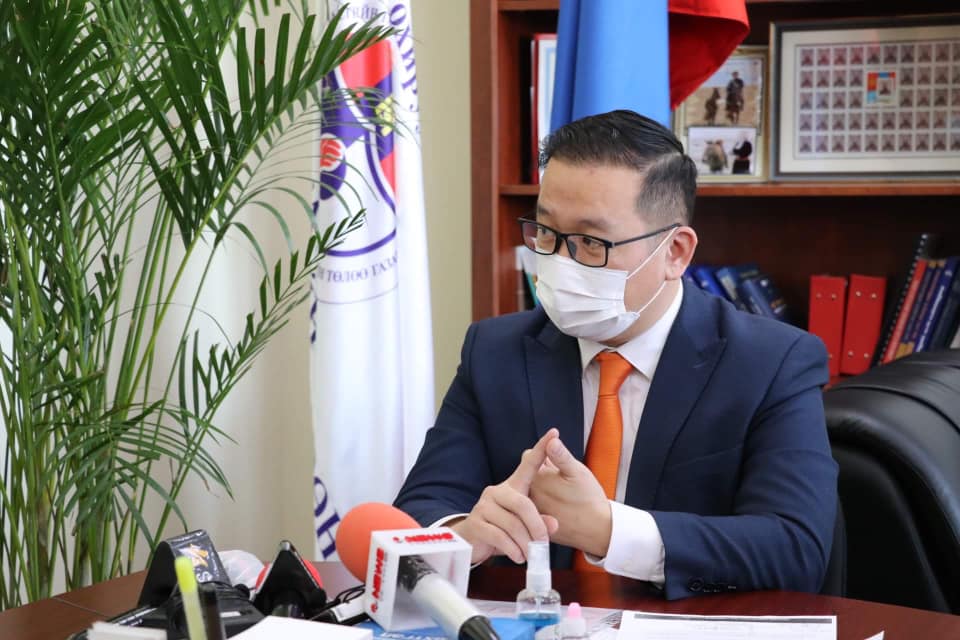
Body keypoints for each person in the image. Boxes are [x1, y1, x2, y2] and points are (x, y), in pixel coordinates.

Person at [394, 109, 838, 600]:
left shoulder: (771, 363)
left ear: (675, 252)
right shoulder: (495, 352)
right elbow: (419, 509)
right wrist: (462, 536)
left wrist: (608, 530)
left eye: (590, 242)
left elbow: (796, 552)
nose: (559, 261)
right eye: (546, 233)